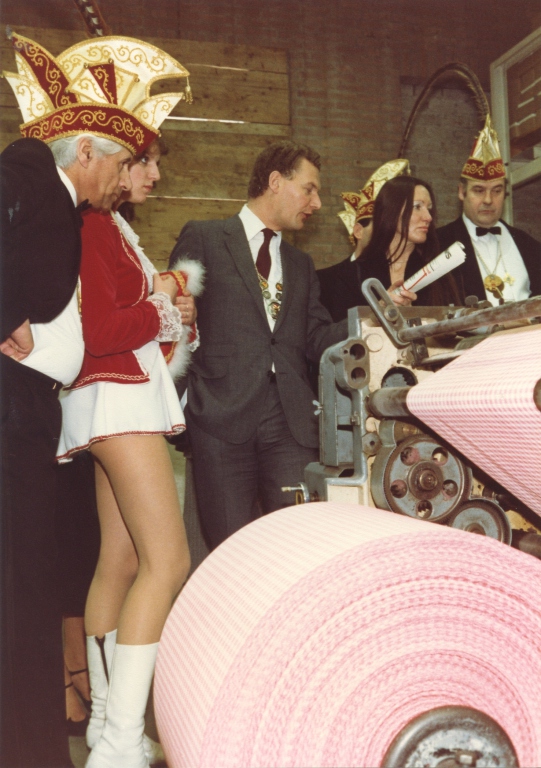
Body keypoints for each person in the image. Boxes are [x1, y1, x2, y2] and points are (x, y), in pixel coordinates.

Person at [1, 30, 192, 768]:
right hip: (113, 399)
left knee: (117, 559)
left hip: (94, 398)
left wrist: (164, 310)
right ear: (89, 152)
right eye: (131, 161)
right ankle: (116, 740)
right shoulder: (79, 213)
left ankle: (113, 724)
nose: (139, 176)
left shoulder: (98, 220)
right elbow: (106, 326)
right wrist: (164, 310)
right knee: (165, 561)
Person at [169, 141, 348, 551]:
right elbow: (172, 324)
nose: (317, 203)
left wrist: (369, 318)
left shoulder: (301, 265)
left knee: (298, 544)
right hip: (220, 418)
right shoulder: (205, 237)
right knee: (231, 548)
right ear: (275, 182)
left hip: (290, 423)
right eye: (309, 189)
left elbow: (317, 339)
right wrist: (186, 408)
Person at [437, 114, 541, 305]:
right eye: (479, 190)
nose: (488, 199)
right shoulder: (439, 244)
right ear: (461, 192)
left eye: (496, 190)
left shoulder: (529, 245)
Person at [317, 159, 410, 321]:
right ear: (358, 231)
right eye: (381, 226)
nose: (388, 232)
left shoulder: (401, 273)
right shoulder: (324, 281)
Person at [355, 175, 460, 307]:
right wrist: (378, 312)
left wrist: (414, 315)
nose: (428, 217)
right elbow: (345, 319)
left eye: (429, 209)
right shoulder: (352, 273)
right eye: (417, 207)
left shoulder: (439, 275)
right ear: (392, 210)